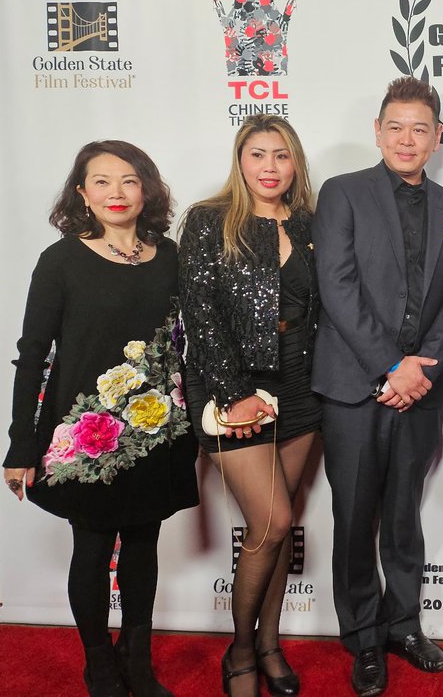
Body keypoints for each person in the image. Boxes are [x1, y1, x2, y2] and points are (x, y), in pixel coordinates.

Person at [3, 140, 198, 697]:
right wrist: (21, 445)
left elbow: (189, 342)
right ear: (82, 193)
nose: (117, 192)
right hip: (87, 434)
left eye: (129, 181)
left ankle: (137, 660)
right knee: (91, 548)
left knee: (143, 544)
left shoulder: (170, 256)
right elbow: (33, 356)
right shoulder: (60, 261)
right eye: (102, 181)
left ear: (147, 190)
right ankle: (99, 665)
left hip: (156, 429)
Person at [311, 77, 443, 697]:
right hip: (354, 389)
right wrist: (389, 366)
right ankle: (363, 638)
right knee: (355, 518)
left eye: (420, 129)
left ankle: (404, 625)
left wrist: (419, 373)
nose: (408, 139)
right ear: (377, 132)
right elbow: (337, 286)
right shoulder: (342, 193)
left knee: (404, 516)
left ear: (437, 139)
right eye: (396, 127)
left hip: (418, 393)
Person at [179, 115, 320, 697]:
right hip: (232, 388)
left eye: (281, 155)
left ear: (295, 164)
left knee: (279, 531)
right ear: (240, 161)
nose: (270, 166)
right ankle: (240, 652)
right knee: (272, 522)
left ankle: (269, 644)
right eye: (258, 154)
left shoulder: (310, 223)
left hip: (301, 386)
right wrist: (233, 394)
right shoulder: (208, 221)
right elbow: (200, 312)